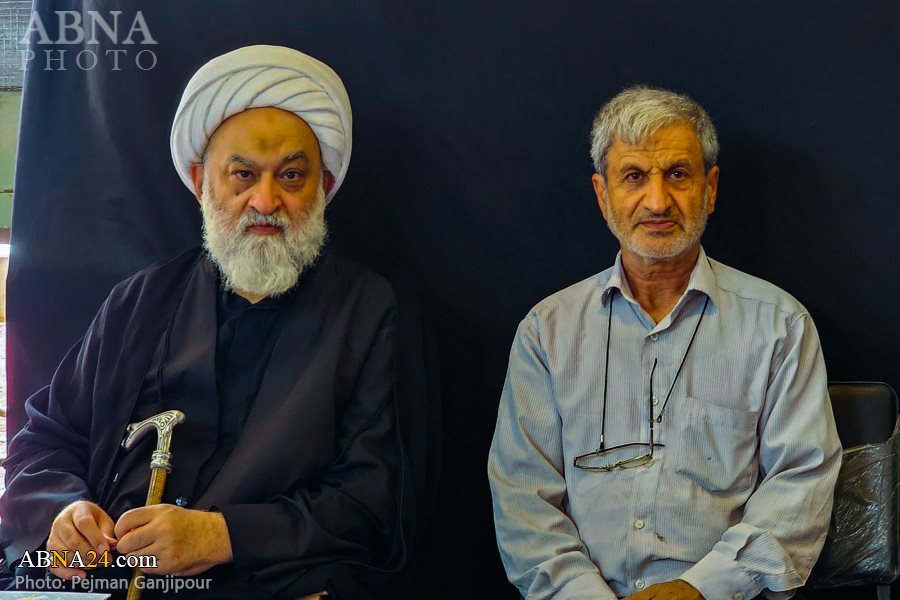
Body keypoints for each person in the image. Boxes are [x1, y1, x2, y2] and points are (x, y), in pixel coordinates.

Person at [0, 45, 406, 599]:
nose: (266, 200)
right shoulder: (140, 301)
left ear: (324, 187)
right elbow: (46, 437)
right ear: (200, 182)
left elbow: (372, 496)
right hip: (101, 579)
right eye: (243, 175)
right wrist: (63, 511)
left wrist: (222, 535)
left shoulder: (368, 313)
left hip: (263, 581)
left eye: (292, 176)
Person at [487, 86, 841, 600]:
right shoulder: (547, 331)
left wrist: (699, 590)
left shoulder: (779, 325)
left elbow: (801, 481)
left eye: (677, 174)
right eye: (634, 176)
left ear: (710, 189)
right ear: (602, 195)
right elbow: (522, 497)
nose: (657, 201)